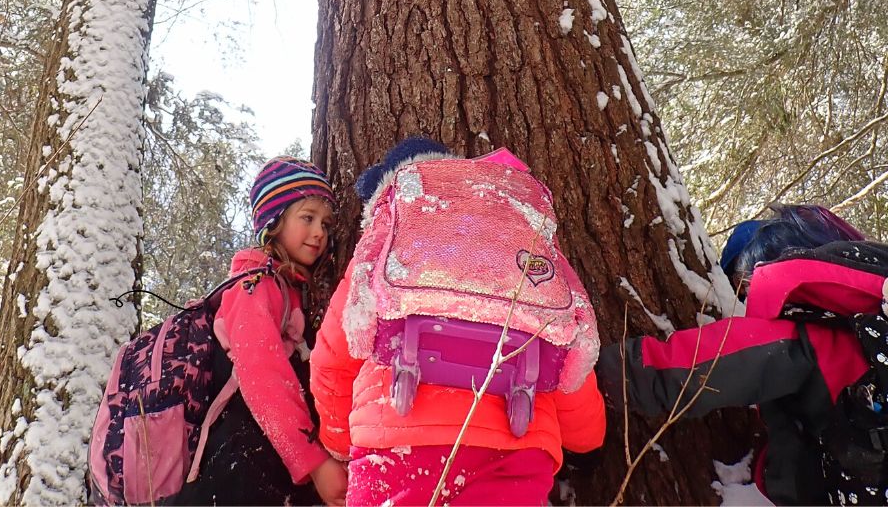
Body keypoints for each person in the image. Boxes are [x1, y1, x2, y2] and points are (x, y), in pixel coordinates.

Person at [310, 138, 606, 506]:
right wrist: (587, 437)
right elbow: (567, 364)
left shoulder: (380, 257)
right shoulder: (518, 252)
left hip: (393, 445)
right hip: (516, 446)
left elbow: (331, 363)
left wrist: (337, 445)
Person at [597, 204, 885, 506]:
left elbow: (717, 360)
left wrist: (615, 372)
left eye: (744, 288)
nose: (746, 301)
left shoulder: (812, 334)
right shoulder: (868, 314)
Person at [179, 156, 348, 506]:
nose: (320, 232)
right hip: (241, 472)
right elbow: (263, 377)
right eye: (307, 218)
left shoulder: (290, 291)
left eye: (326, 224)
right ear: (273, 220)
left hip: (268, 465)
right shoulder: (254, 287)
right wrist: (314, 463)